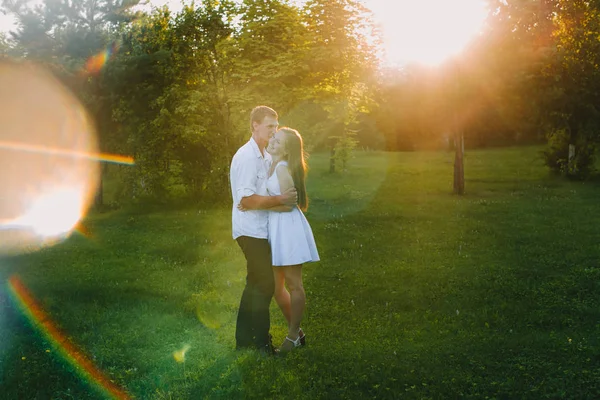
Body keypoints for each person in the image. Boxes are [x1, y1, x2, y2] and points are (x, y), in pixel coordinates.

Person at [240, 127, 319, 353]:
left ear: (286, 150)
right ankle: (298, 331)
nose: (273, 140)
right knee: (276, 288)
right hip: (275, 228)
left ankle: (293, 336)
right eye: (274, 136)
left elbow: (289, 205)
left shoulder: (283, 168)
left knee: (294, 284)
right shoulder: (270, 165)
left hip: (288, 229)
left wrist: (263, 203)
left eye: (279, 140)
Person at [229, 106, 297, 354]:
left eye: (276, 126)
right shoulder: (246, 157)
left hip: (264, 229)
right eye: (269, 126)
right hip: (249, 230)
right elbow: (245, 201)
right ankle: (260, 343)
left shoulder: (267, 157)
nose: (273, 131)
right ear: (254, 126)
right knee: (265, 283)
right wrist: (281, 199)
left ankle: (244, 341)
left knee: (256, 283)